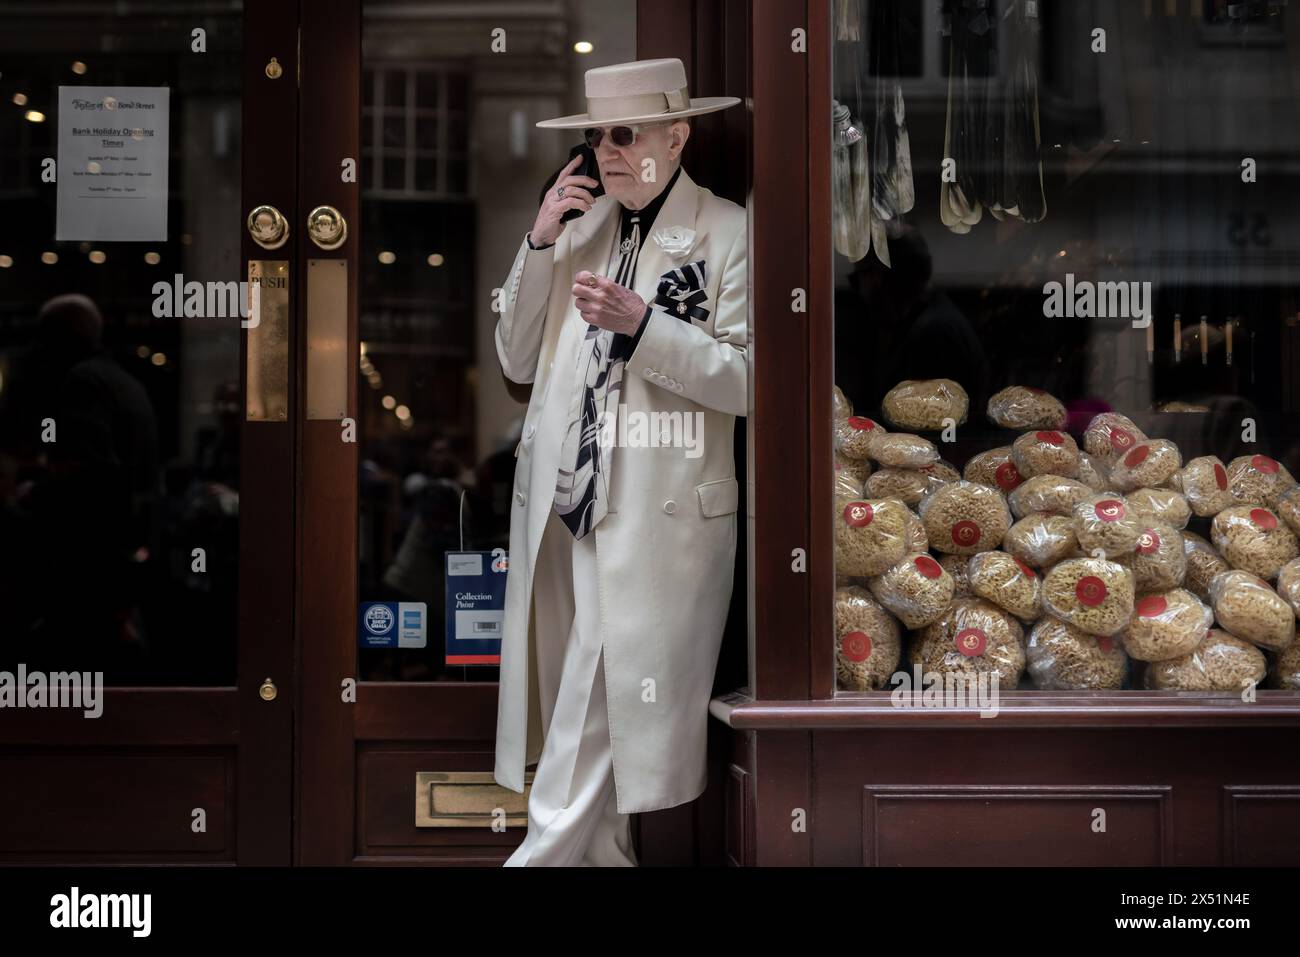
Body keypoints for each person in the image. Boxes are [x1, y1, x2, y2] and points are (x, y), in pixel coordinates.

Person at [492, 57, 746, 865]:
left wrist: (645, 327)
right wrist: (537, 241)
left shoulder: (729, 229)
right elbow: (517, 356)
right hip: (565, 511)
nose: (606, 149)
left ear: (677, 137)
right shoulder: (580, 230)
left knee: (595, 706)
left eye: (624, 132)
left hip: (654, 515)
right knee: (586, 696)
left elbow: (749, 380)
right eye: (597, 134)